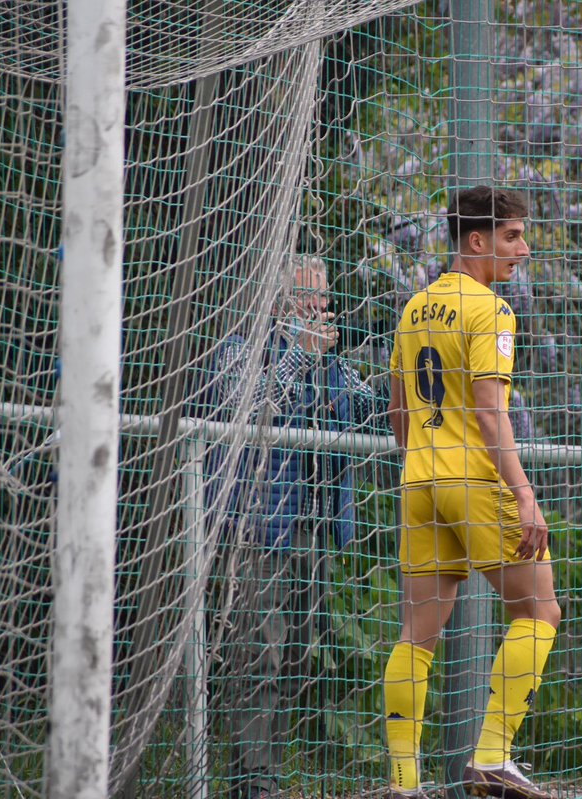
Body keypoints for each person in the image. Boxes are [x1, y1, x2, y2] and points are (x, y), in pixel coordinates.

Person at [382, 186, 561, 799]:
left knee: (417, 636)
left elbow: (398, 413)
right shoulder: (493, 311)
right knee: (539, 611)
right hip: (475, 481)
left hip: (419, 482)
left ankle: (404, 781)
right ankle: (492, 755)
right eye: (513, 236)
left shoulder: (413, 310)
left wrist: (423, 463)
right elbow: (491, 414)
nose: (523, 248)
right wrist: (525, 494)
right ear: (477, 241)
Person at [204, 255, 382, 799]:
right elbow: (249, 408)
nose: (322, 310)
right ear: (278, 306)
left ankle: (266, 776)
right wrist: (298, 363)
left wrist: (391, 379)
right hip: (258, 528)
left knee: (296, 662)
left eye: (325, 300)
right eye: (310, 300)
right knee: (260, 656)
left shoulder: (331, 360)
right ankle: (253, 784)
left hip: (313, 526)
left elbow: (369, 411)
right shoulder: (239, 350)